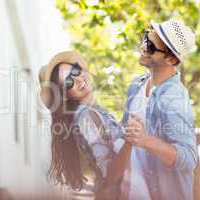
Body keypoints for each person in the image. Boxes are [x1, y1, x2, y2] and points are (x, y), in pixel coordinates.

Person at [38, 51, 132, 200]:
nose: (78, 79)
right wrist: (131, 141)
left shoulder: (92, 112)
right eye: (69, 82)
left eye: (75, 71)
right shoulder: (86, 117)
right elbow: (109, 174)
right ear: (65, 95)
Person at [122, 19, 198, 200]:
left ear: (171, 59)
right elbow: (125, 136)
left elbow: (188, 159)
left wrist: (145, 140)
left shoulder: (174, 98)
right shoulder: (136, 85)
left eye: (150, 47)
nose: (142, 47)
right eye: (144, 39)